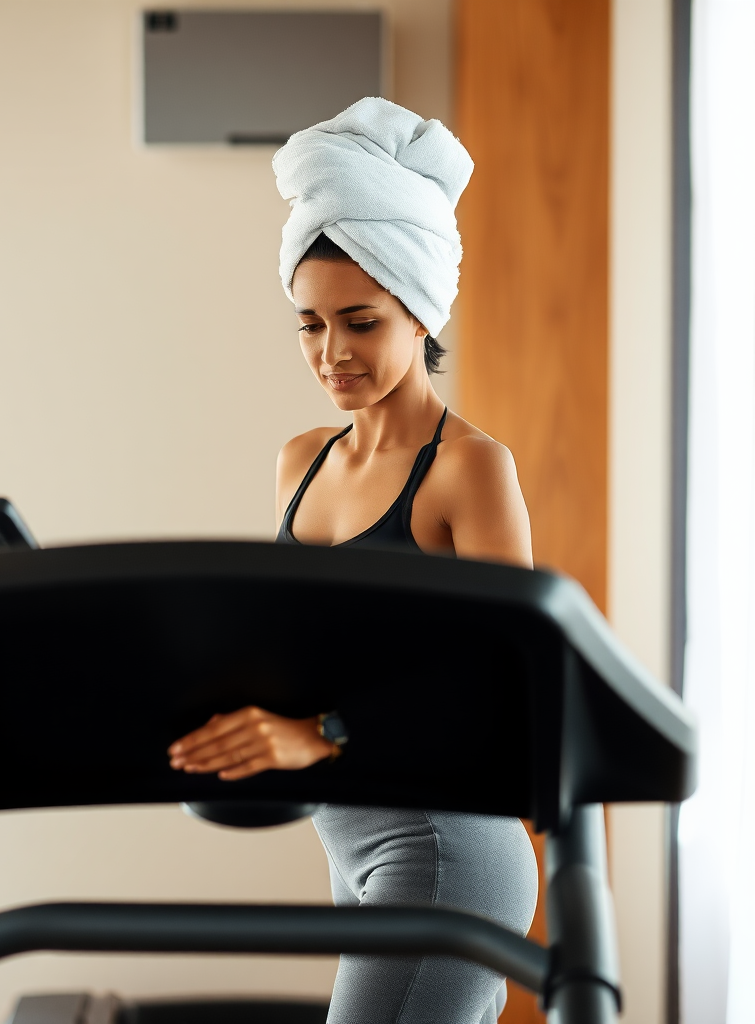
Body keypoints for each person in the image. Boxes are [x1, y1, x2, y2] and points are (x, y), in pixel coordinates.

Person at [167, 97, 538, 1024]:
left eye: (360, 322)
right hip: (351, 840)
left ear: (419, 313)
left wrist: (323, 733)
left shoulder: (469, 472)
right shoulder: (302, 461)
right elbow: (307, 653)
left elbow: (507, 687)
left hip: (444, 845)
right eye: (309, 324)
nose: (331, 354)